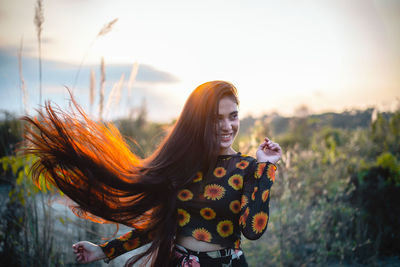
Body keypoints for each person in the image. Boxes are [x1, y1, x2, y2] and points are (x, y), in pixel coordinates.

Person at [24, 81, 281, 267]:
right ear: (199, 121)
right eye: (216, 118)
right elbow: (159, 225)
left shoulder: (248, 168)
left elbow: (252, 230)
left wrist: (265, 167)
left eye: (233, 116)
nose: (227, 126)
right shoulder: (184, 166)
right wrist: (103, 251)